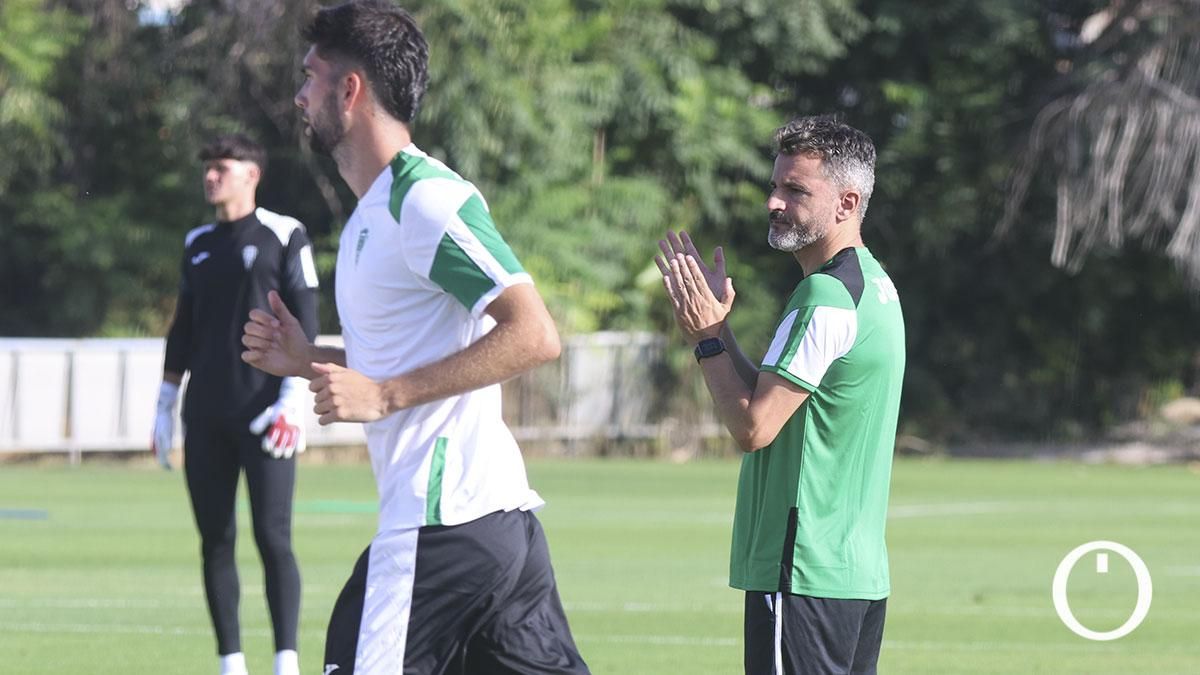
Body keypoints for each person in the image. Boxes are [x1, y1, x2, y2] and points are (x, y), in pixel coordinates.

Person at [240, 2, 589, 673]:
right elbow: (394, 361)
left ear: (350, 91)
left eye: (311, 78)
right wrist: (305, 357)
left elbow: (535, 333)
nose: (299, 95)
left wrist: (387, 394)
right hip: (491, 525)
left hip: (441, 528)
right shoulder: (373, 212)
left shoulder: (427, 199)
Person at [655, 115, 905, 675]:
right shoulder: (871, 284)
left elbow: (753, 428)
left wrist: (705, 341)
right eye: (775, 186)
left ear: (846, 202)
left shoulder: (825, 295)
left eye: (795, 190)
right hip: (851, 572)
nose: (774, 202)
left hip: (803, 570)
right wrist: (718, 331)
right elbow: (778, 397)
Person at [153, 133, 319, 675]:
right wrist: (165, 400)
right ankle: (230, 661)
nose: (210, 176)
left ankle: (286, 660)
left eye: (220, 167)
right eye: (207, 167)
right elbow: (184, 329)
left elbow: (305, 314)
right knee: (215, 539)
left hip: (267, 414)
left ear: (252, 173)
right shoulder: (197, 241)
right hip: (206, 416)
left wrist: (295, 395)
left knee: (274, 537)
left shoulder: (283, 233)